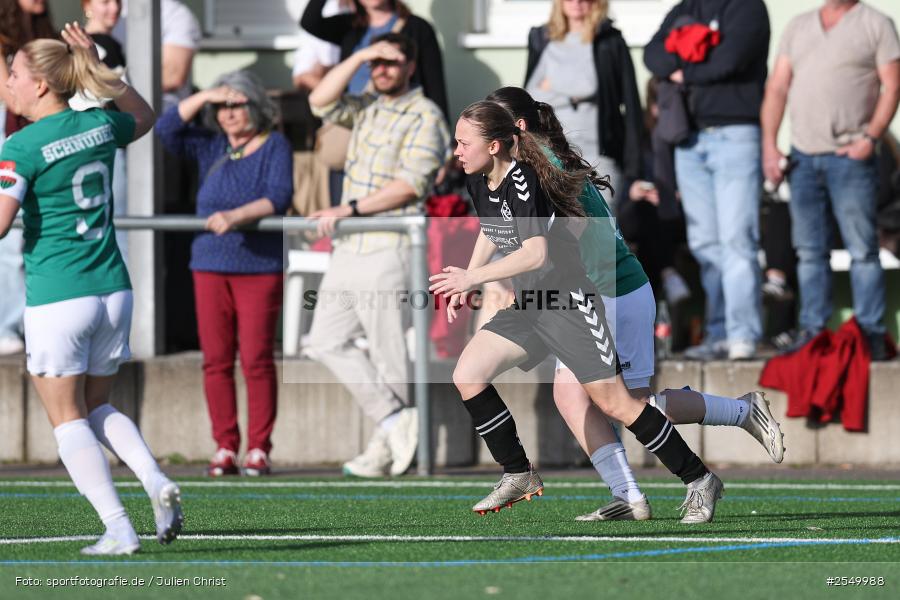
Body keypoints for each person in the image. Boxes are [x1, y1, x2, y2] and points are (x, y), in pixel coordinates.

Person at [483, 87, 784, 521]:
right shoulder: (527, 165)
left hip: (611, 292)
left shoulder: (538, 166)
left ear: (518, 128)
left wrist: (524, 269)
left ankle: (716, 444)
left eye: (491, 125)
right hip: (593, 294)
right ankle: (637, 491)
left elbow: (570, 235)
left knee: (617, 403)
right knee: (600, 401)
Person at [432, 101, 723, 523]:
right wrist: (471, 277)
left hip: (569, 304)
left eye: (463, 142)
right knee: (468, 374)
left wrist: (471, 278)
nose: (456, 151)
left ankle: (699, 478)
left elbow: (534, 254)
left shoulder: (525, 180)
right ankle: (518, 473)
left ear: (494, 146)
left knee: (619, 404)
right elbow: (492, 230)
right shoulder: (479, 181)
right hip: (532, 304)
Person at [0, 21, 182, 555]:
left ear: (40, 85)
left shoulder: (22, 144)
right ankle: (154, 478)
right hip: (113, 290)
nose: (7, 83)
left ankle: (119, 527)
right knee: (98, 405)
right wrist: (102, 70)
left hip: (60, 294)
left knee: (66, 419)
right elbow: (144, 116)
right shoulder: (100, 123)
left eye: (13, 74)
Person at [305, 33, 450, 478]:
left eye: (391, 61)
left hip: (390, 243)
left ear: (411, 67)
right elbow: (318, 100)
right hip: (351, 246)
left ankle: (386, 446)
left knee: (389, 354)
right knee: (323, 340)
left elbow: (410, 186)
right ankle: (393, 421)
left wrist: (348, 209)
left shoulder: (426, 115)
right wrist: (361, 55)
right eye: (377, 63)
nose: (382, 69)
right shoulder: (366, 104)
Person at [156, 71, 293, 477]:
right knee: (215, 360)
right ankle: (224, 445)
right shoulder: (211, 144)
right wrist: (205, 97)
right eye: (221, 107)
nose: (228, 113)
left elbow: (278, 196)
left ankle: (259, 448)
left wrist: (236, 216)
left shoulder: (275, 145)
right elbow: (166, 129)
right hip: (209, 263)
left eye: (236, 104)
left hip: (258, 265)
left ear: (256, 106)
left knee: (256, 359)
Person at [760, 0, 900, 360]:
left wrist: (870, 138)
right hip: (803, 158)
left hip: (850, 158)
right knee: (809, 252)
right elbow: (777, 87)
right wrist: (770, 146)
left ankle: (870, 334)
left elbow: (893, 85)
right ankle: (813, 332)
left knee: (862, 250)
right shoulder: (799, 26)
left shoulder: (875, 23)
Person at [645, 0, 770, 361]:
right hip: (690, 140)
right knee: (704, 243)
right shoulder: (687, 7)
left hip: (736, 135)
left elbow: (730, 60)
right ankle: (718, 333)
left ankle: (742, 333)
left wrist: (683, 68)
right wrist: (696, 60)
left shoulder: (748, 8)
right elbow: (653, 56)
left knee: (737, 239)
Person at [525, 0, 642, 206]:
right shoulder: (541, 38)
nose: (577, 2)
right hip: (551, 153)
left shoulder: (609, 40)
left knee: (602, 221)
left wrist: (552, 86)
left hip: (598, 154)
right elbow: (530, 96)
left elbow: (626, 102)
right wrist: (572, 95)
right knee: (558, 223)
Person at [0, 0, 56, 355]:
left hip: (43, 139)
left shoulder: (47, 33)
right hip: (13, 139)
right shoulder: (3, 39)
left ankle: (28, 320)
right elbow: (10, 97)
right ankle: (7, 324)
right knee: (10, 245)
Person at [301, 0, 447, 117]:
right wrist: (360, 56)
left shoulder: (418, 28)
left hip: (398, 115)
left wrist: (442, 127)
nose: (380, 68)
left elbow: (434, 85)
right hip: (355, 115)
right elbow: (309, 21)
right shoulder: (349, 27)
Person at [74, 0, 129, 264]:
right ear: (87, 5)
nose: (114, 8)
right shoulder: (89, 46)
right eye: (105, 1)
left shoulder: (112, 44)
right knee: (117, 226)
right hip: (102, 148)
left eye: (117, 1)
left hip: (115, 143)